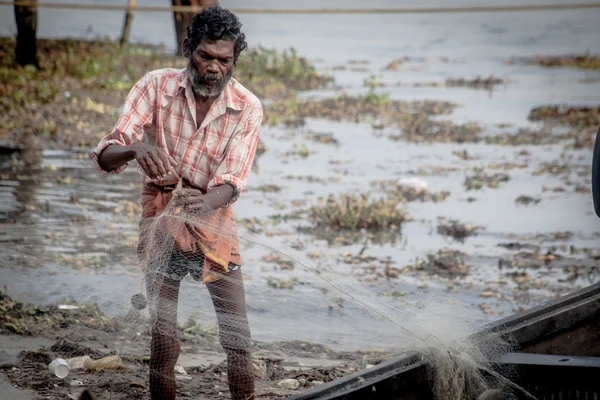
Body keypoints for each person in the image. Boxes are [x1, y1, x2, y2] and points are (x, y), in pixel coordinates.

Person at [92, 6, 261, 400]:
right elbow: (105, 153)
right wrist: (135, 148)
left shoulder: (246, 106)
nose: (214, 68)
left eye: (224, 60)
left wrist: (204, 201)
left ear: (235, 60)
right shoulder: (155, 86)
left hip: (213, 218)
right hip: (161, 217)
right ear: (188, 48)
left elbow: (233, 182)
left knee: (238, 337)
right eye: (206, 56)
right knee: (163, 337)